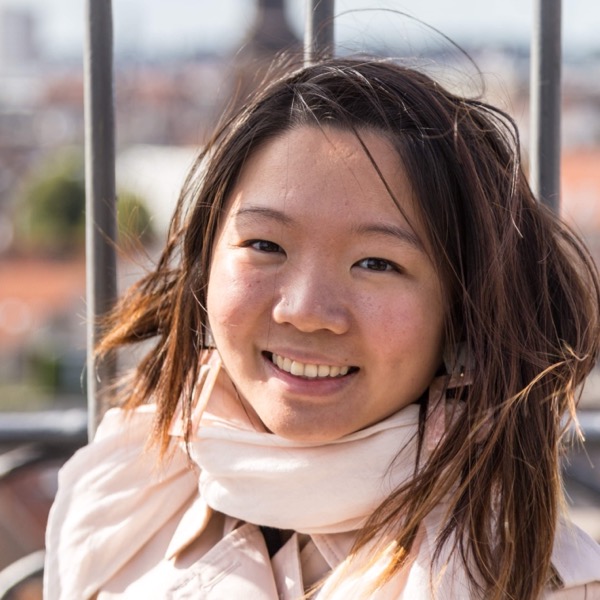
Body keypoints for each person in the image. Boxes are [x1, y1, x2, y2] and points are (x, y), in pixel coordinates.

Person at [45, 57, 600, 599]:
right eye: (265, 245)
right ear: (204, 266)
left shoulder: (535, 580)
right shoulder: (120, 495)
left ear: (464, 313)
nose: (305, 310)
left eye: (376, 263)